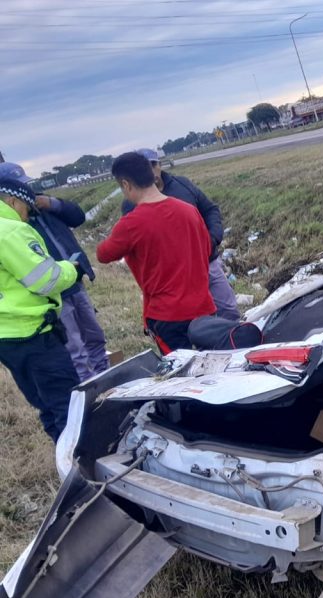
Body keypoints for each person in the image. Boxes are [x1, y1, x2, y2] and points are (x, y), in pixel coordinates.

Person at [0, 162, 109, 381]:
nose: (29, 193)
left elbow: (77, 216)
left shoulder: (43, 208)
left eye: (28, 185)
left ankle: (107, 378)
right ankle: (88, 392)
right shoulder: (12, 226)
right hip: (53, 293)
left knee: (95, 337)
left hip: (75, 282)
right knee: (74, 348)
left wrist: (51, 203)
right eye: (22, 187)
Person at [98, 152, 214, 353]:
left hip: (167, 316)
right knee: (213, 367)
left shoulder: (131, 223)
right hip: (204, 308)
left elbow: (103, 254)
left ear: (126, 185)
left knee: (183, 377)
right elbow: (206, 249)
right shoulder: (189, 210)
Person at [0, 178, 83, 441]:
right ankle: (79, 469)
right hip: (34, 334)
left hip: (7, 338)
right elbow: (45, 279)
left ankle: (63, 455)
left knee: (43, 403)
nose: (27, 216)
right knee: (67, 405)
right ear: (12, 201)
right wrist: (72, 269)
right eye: (26, 207)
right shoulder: (11, 231)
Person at [121, 149, 240, 320]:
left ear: (159, 165)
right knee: (193, 320)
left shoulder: (182, 185)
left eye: (153, 165)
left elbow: (210, 209)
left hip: (206, 261)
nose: (150, 170)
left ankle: (235, 342)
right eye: (144, 168)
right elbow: (134, 243)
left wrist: (212, 238)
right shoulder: (132, 204)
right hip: (174, 275)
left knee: (229, 310)